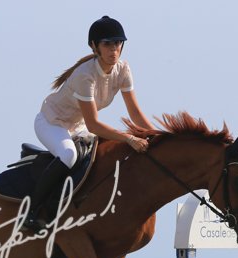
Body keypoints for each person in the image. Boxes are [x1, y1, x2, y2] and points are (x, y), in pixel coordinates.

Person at [24, 15, 154, 230]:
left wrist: (158, 135)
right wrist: (130, 138)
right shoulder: (85, 75)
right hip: (52, 123)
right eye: (107, 44)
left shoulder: (123, 70)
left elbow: (135, 113)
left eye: (118, 43)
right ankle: (32, 212)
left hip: (78, 126)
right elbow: (94, 125)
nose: (114, 49)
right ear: (94, 46)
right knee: (69, 155)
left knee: (103, 154)